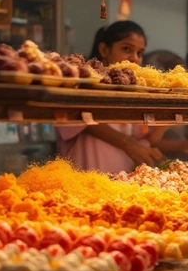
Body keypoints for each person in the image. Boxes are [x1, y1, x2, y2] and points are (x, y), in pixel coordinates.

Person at [56, 21, 164, 173]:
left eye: (140, 53)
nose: (135, 58)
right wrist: (127, 143)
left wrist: (167, 120)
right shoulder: (82, 79)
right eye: (127, 49)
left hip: (120, 187)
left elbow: (143, 139)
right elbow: (79, 116)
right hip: (85, 184)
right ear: (104, 49)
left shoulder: (132, 92)